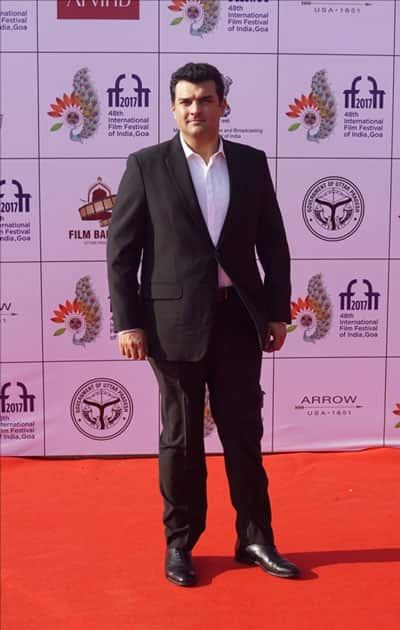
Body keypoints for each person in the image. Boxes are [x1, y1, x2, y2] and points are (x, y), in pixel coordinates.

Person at [107, 62, 300, 586]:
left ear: (223, 106)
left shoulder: (252, 163)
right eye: (187, 100)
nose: (197, 108)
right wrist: (128, 323)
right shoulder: (147, 165)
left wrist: (278, 310)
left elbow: (274, 245)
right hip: (171, 324)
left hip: (239, 319)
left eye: (207, 99)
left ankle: (255, 537)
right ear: (173, 107)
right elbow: (121, 253)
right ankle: (180, 545)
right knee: (182, 439)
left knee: (244, 433)